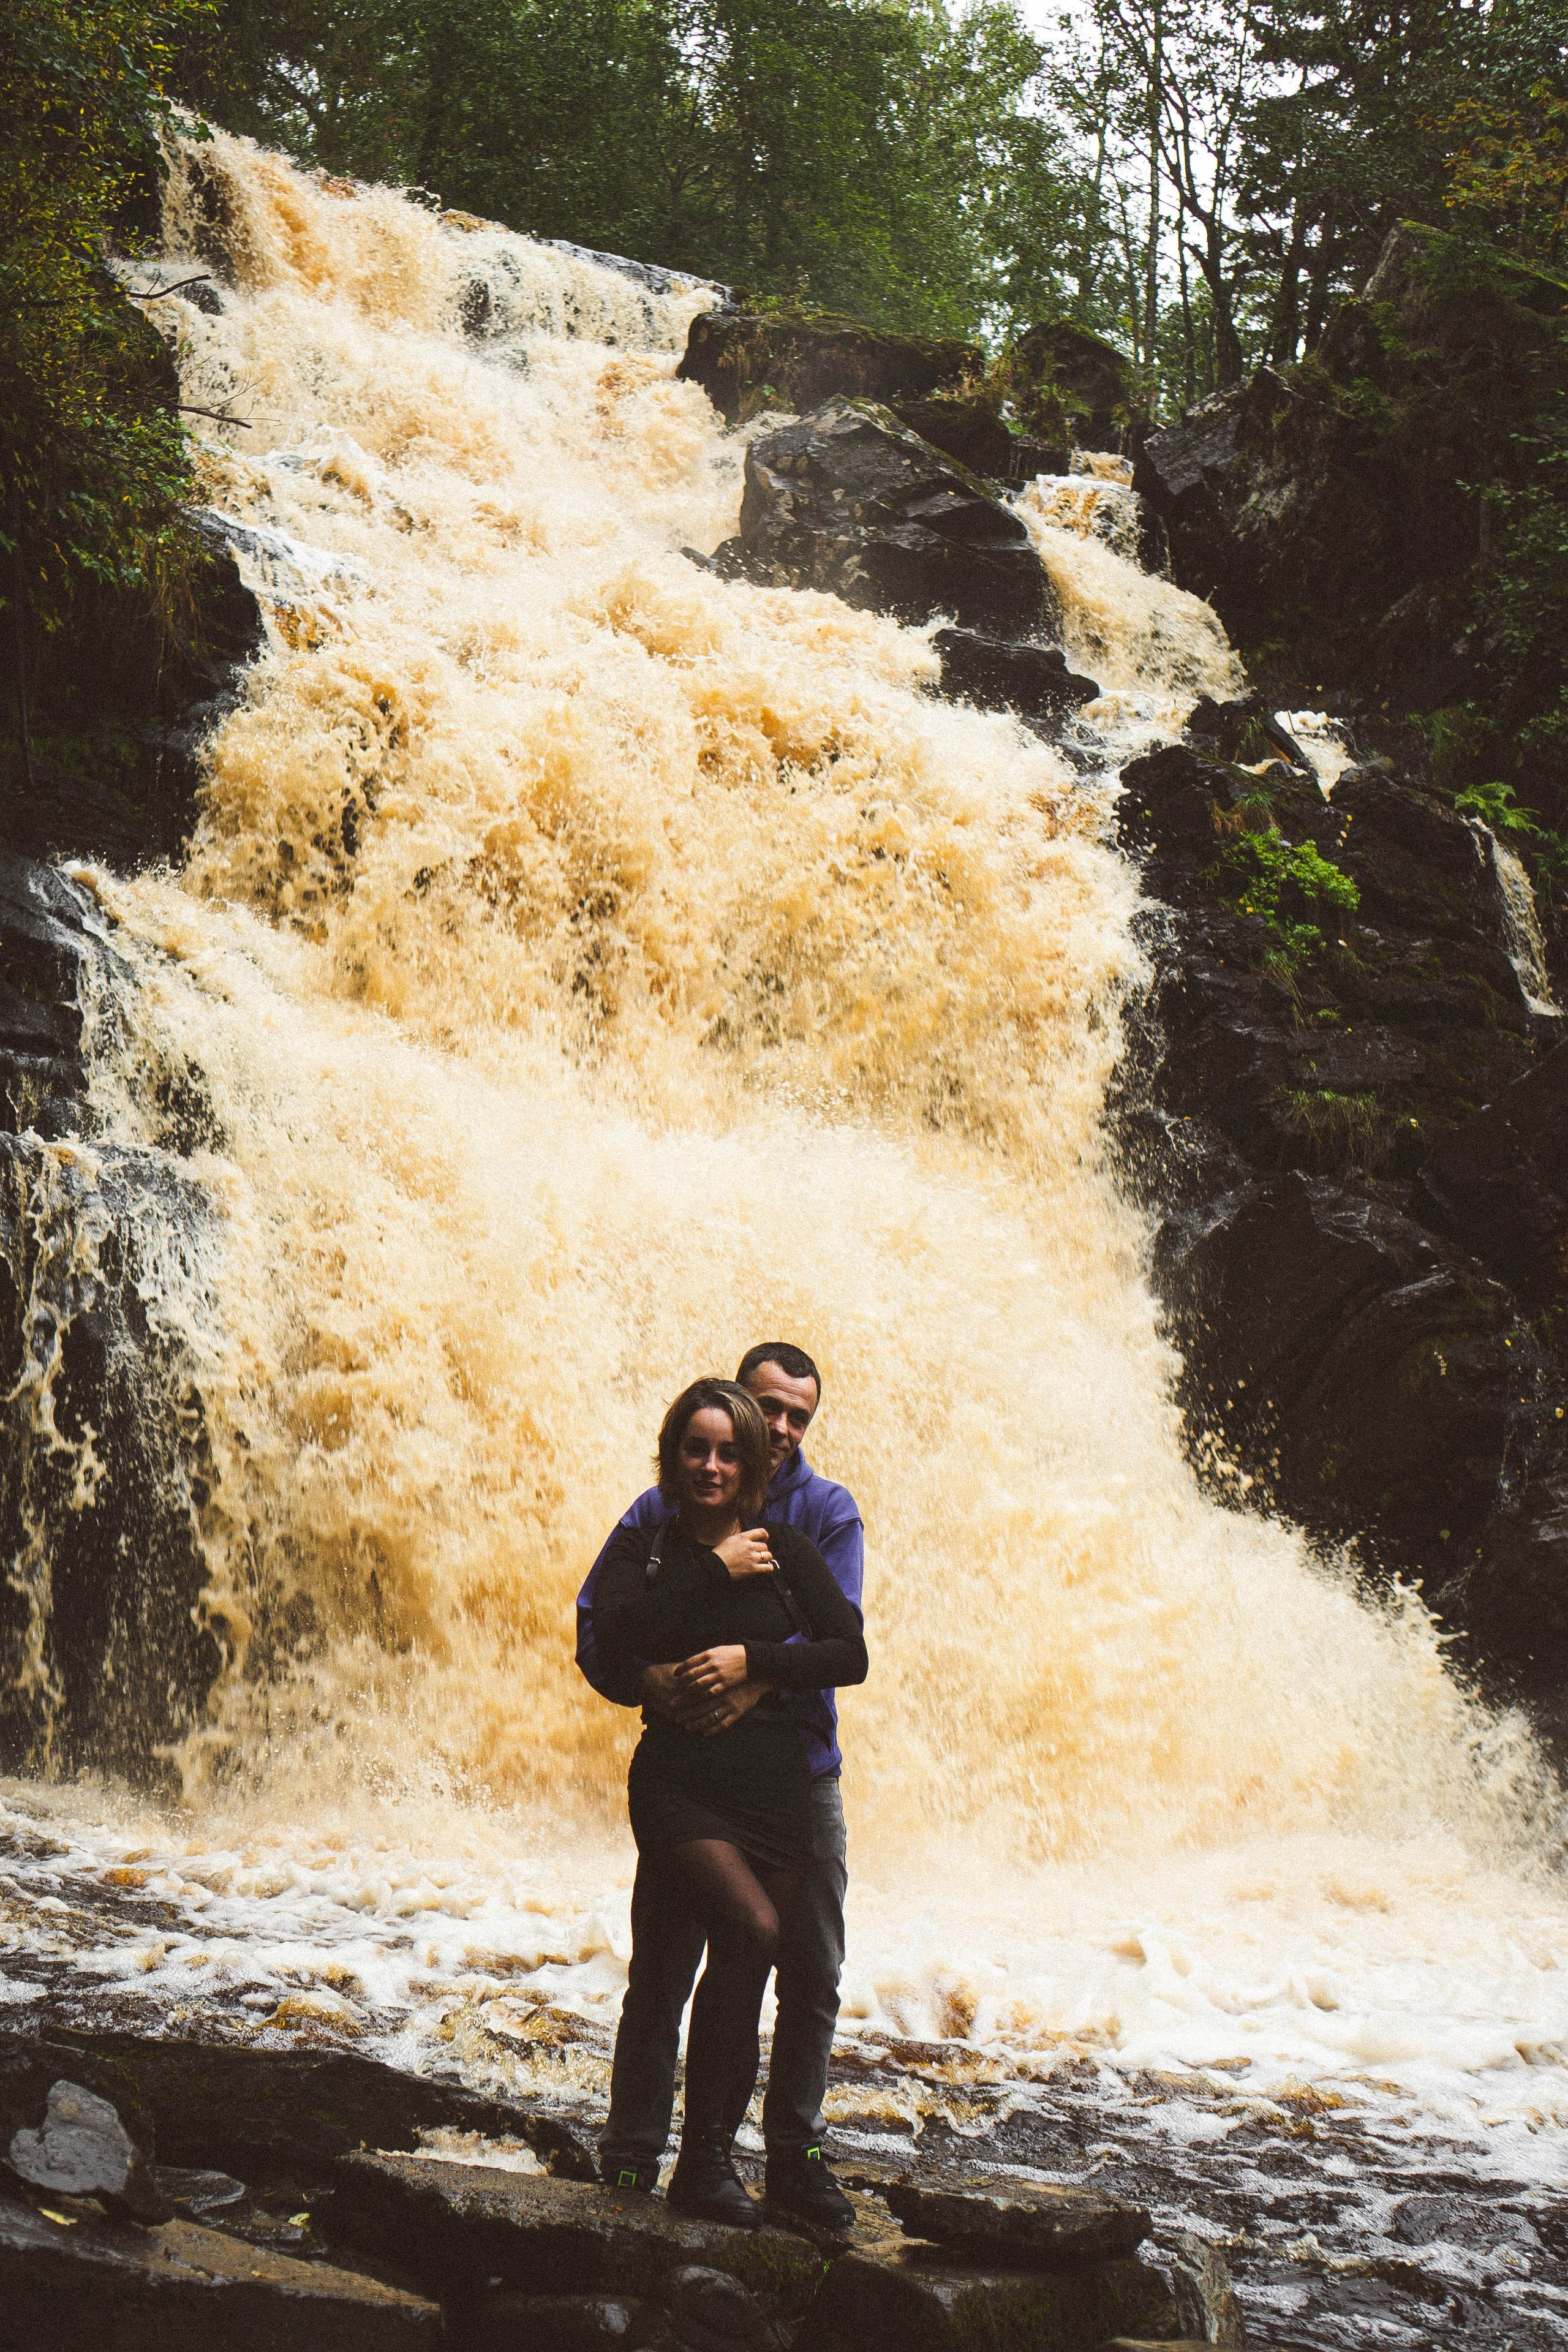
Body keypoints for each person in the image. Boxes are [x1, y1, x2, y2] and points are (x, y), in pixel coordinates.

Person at [577, 1343, 864, 2228]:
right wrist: (648, 1677)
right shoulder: (655, 1532)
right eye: (701, 1448)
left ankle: (721, 2162)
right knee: (706, 1949)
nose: (721, 1461)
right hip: (683, 1787)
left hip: (785, 1787)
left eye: (733, 1450)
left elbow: (847, 1651)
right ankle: (634, 2157)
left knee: (776, 1965)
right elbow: (606, 1638)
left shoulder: (805, 1528)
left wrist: (756, 1665)